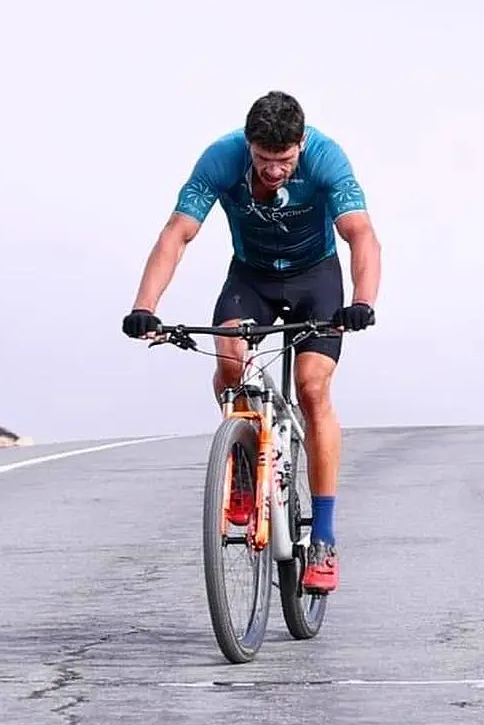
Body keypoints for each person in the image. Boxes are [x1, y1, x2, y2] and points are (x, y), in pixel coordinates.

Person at [121, 91, 382, 594]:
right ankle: (243, 464)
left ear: (300, 145)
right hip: (252, 278)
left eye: (285, 160)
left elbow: (361, 234)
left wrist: (363, 301)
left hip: (316, 278)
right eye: (264, 159)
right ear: (249, 144)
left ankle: (324, 538)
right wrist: (144, 307)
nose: (274, 171)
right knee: (229, 359)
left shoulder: (327, 157)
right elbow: (177, 233)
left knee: (312, 387)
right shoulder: (222, 158)